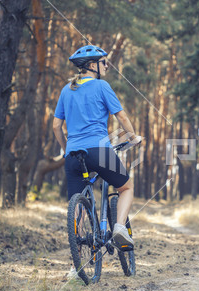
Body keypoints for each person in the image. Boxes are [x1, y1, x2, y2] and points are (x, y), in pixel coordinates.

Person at [53, 44, 140, 248]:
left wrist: (67, 150)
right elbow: (122, 117)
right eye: (104, 63)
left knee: (77, 207)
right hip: (99, 150)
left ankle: (76, 266)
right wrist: (133, 137)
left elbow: (56, 126)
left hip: (73, 155)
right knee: (126, 187)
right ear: (92, 65)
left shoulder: (66, 90)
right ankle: (119, 227)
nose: (107, 66)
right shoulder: (102, 87)